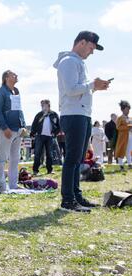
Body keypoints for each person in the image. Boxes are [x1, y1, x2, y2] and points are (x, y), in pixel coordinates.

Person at [54, 31, 110, 212]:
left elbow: (79, 90)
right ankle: (68, 200)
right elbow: (71, 90)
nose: (92, 52)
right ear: (82, 43)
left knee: (77, 159)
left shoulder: (78, 62)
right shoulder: (69, 61)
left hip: (82, 114)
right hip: (73, 114)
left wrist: (95, 88)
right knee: (72, 159)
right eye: (91, 47)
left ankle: (75, 195)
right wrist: (93, 85)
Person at [0, 70, 26, 193]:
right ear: (6, 77)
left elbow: (19, 110)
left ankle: (13, 184)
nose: (16, 75)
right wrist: (4, 127)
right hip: (7, 130)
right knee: (2, 159)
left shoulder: (16, 91)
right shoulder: (1, 92)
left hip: (18, 130)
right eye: (14, 74)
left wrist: (23, 125)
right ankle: (1, 186)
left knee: (15, 158)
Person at [30, 100, 61, 175]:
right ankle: (35, 170)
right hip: (40, 136)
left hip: (50, 137)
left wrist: (55, 133)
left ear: (48, 105)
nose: (43, 107)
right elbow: (34, 125)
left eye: (44, 105)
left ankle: (50, 170)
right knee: (37, 154)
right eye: (42, 105)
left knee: (49, 154)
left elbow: (59, 126)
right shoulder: (39, 114)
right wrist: (32, 133)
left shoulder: (54, 114)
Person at [115, 101, 132, 171]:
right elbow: (118, 127)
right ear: (122, 109)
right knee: (121, 150)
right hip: (123, 138)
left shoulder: (130, 118)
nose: (128, 111)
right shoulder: (120, 118)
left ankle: (129, 164)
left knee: (129, 151)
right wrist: (128, 127)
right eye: (127, 109)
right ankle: (121, 165)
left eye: (129, 109)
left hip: (130, 136)